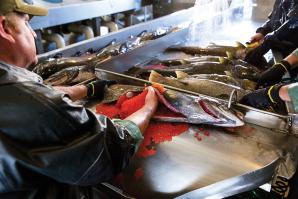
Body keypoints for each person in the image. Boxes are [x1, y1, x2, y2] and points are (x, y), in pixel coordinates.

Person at [0, 0, 159, 199]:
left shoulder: (13, 88)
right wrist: (147, 108)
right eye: (26, 23)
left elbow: (29, 94)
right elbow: (110, 148)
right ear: (4, 28)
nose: (33, 33)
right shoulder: (28, 101)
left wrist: (87, 89)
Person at [245, 0, 298, 68]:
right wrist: (262, 31)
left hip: (292, 53)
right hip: (279, 49)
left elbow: (292, 23)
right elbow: (275, 18)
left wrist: (270, 39)